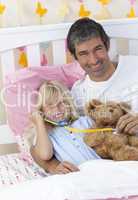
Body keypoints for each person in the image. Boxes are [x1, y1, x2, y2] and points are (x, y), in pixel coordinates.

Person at [31, 17, 138, 174]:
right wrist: (52, 166)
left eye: (98, 49)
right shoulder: (76, 94)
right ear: (75, 57)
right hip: (119, 166)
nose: (94, 60)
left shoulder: (134, 65)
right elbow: (35, 148)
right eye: (84, 53)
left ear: (107, 45)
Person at [30, 80, 100, 173]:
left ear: (69, 103)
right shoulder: (45, 135)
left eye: (61, 103)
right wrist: (39, 122)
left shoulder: (84, 121)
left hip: (100, 168)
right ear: (42, 110)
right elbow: (45, 155)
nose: (56, 109)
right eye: (50, 105)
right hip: (77, 174)